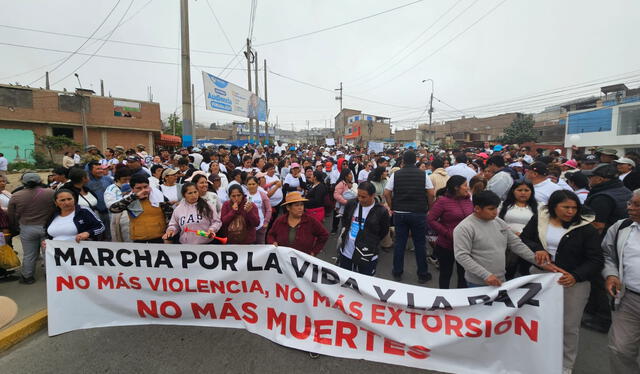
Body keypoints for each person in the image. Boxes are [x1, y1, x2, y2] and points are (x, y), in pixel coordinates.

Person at [520, 190, 603, 373]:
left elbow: (596, 260)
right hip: (541, 278)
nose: (570, 211)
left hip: (573, 284)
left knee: (568, 326)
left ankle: (566, 365)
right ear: (553, 206)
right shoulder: (540, 219)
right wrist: (538, 249)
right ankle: (538, 357)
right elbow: (525, 238)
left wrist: (576, 276)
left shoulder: (586, 229)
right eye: (566, 207)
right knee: (537, 321)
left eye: (574, 208)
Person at [453, 190, 550, 288]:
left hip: (500, 280)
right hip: (477, 283)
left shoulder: (499, 222)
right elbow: (462, 256)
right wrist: (486, 275)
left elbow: (516, 244)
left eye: (496, 208)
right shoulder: (464, 228)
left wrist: (540, 263)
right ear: (477, 208)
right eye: (491, 209)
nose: (495, 212)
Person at [582, 163, 633, 333]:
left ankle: (603, 319)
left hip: (604, 243)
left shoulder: (602, 197)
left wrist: (587, 247)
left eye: (592, 176)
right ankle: (594, 309)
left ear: (601, 179)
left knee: (600, 280)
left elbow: (597, 225)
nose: (589, 179)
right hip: (620, 241)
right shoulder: (623, 190)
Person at [601, 189, 640, 374]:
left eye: (637, 205)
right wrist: (611, 274)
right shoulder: (621, 227)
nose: (630, 208)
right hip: (628, 299)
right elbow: (607, 254)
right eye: (630, 203)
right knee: (620, 350)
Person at [384, 150, 435, 283]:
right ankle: (423, 274)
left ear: (403, 161)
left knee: (400, 243)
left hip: (400, 213)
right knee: (420, 243)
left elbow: (386, 192)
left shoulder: (396, 175)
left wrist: (392, 206)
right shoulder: (423, 175)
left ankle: (397, 272)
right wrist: (429, 207)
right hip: (419, 213)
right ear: (416, 161)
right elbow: (431, 193)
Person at [7, 173, 55, 284]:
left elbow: (11, 215)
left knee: (29, 254)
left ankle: (27, 277)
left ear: (23, 182)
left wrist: (15, 227)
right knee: (47, 253)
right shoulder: (50, 193)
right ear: (40, 181)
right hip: (47, 227)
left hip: (27, 228)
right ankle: (50, 275)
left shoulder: (16, 195)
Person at [427, 176, 473, 289]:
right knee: (445, 274)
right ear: (457, 187)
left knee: (464, 275)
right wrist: (447, 233)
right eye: (465, 185)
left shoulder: (469, 200)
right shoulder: (443, 201)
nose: (467, 188)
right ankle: (444, 301)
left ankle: (460, 301)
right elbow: (430, 219)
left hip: (466, 245)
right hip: (446, 245)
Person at [336, 182, 389, 275]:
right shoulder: (351, 203)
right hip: (347, 250)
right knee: (345, 279)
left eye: (364, 197)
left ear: (373, 195)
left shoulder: (381, 211)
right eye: (358, 195)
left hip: (367, 253)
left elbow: (384, 231)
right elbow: (345, 221)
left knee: (365, 282)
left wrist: (372, 240)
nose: (360, 199)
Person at [109, 175, 168, 243]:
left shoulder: (159, 197)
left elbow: (169, 216)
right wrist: (134, 197)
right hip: (139, 239)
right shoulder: (130, 199)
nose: (143, 190)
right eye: (139, 188)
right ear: (132, 189)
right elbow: (113, 209)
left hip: (159, 237)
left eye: (145, 187)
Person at [267, 191, 329, 256]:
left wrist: (314, 251)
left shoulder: (311, 221)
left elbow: (324, 235)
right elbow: (271, 234)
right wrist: (272, 242)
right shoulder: (280, 221)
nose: (300, 208)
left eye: (302, 204)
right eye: (296, 205)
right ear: (288, 208)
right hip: (283, 258)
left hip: (302, 261)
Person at [499, 181, 538, 279]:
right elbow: (497, 222)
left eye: (526, 190)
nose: (523, 193)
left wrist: (522, 234)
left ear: (531, 192)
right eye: (520, 190)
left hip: (528, 244)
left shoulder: (538, 207)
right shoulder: (503, 205)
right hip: (507, 243)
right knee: (508, 271)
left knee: (525, 273)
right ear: (513, 191)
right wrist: (511, 233)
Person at [85, 161, 114, 239]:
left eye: (101, 169)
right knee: (98, 233)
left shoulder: (109, 179)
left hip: (108, 211)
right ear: (90, 170)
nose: (100, 171)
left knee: (110, 233)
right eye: (97, 169)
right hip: (95, 212)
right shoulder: (86, 182)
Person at [104, 167, 132, 243]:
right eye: (124, 179)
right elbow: (110, 205)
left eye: (129, 179)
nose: (127, 181)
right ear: (118, 178)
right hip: (116, 219)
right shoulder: (111, 189)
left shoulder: (131, 186)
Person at [245, 176, 271, 244]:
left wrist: (266, 222)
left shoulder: (262, 195)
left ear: (257, 184)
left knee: (260, 245)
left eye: (253, 184)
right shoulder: (244, 196)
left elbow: (268, 209)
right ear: (246, 185)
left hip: (261, 225)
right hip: (248, 227)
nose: (251, 186)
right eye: (249, 184)